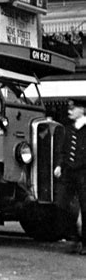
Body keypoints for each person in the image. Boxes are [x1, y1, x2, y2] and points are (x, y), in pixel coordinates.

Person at [54, 97, 86, 254]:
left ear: (82, 110)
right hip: (68, 172)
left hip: (83, 173)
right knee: (61, 204)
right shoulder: (68, 128)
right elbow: (62, 150)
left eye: (73, 108)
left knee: (85, 207)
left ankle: (84, 243)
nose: (70, 111)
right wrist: (59, 165)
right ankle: (74, 236)